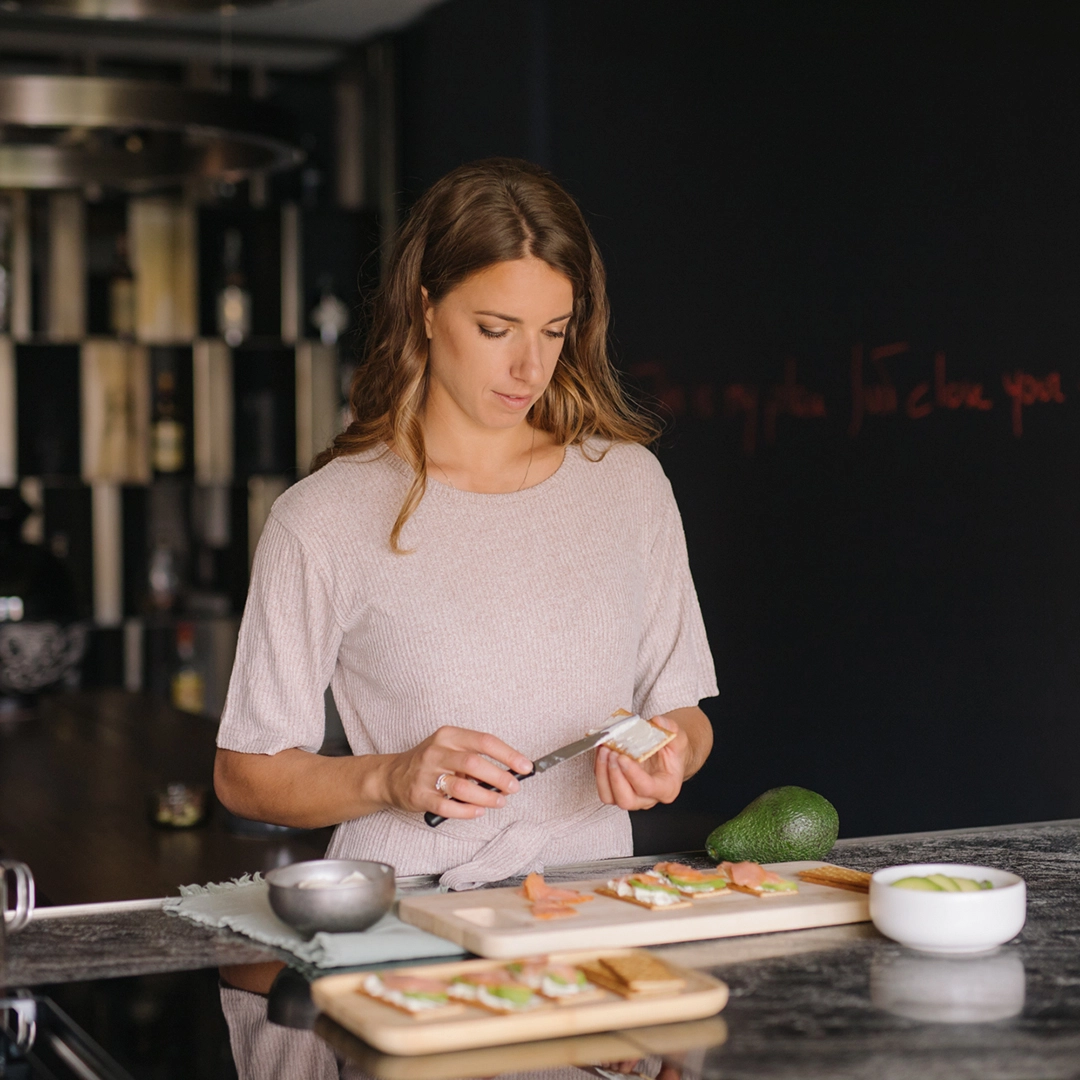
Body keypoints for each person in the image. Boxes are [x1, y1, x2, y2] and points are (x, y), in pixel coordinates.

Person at [213, 158, 717, 889]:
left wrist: (670, 754)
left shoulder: (629, 485)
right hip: (405, 919)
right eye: (494, 328)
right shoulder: (321, 519)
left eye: (553, 330)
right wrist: (391, 777)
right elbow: (243, 774)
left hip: (594, 908)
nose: (529, 366)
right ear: (424, 308)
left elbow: (681, 711)